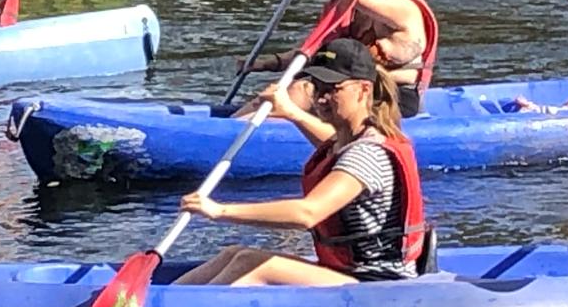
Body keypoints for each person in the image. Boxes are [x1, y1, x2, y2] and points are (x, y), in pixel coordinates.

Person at [175, 39, 427, 286]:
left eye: (332, 88)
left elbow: (307, 213)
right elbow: (331, 143)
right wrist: (293, 114)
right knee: (233, 254)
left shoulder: (367, 154)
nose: (321, 98)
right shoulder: (350, 141)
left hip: (375, 281)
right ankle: (165, 302)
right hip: (346, 272)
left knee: (250, 264)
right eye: (316, 87)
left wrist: (219, 211)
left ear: (363, 90)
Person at [245, 0, 438, 118]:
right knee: (286, 89)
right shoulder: (355, 12)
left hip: (392, 98)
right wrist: (265, 63)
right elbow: (316, 53)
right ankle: (234, 125)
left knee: (303, 90)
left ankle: (238, 133)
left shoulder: (404, 7)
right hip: (349, 90)